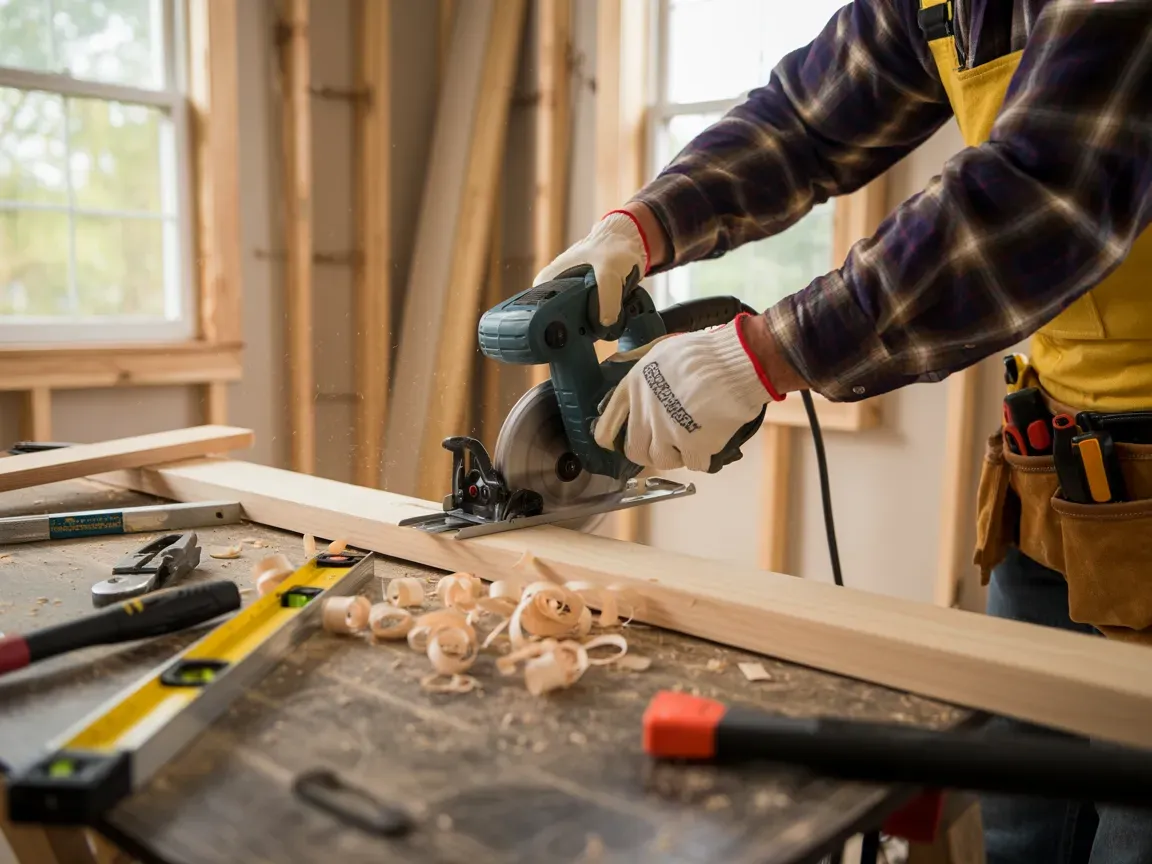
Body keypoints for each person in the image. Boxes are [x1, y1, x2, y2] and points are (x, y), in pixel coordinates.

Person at [534, 1, 1152, 861]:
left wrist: (765, 353)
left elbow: (1046, 189)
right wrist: (641, 225)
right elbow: (802, 125)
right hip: (1052, 470)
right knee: (1021, 824)